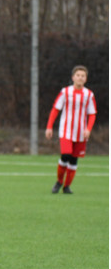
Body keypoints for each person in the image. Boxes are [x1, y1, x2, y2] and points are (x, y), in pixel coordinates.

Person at [45, 65, 97, 194]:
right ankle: (58, 181)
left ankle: (67, 187)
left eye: (83, 76)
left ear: (86, 79)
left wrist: (88, 129)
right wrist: (49, 126)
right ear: (73, 77)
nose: (80, 78)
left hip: (80, 132)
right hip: (66, 130)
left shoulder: (89, 95)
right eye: (78, 75)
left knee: (74, 159)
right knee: (66, 154)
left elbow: (92, 114)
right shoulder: (65, 92)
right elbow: (55, 109)